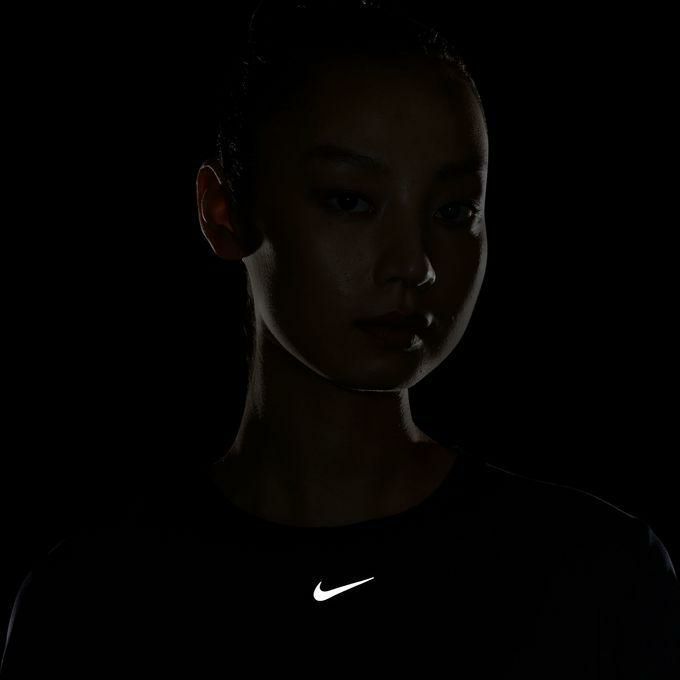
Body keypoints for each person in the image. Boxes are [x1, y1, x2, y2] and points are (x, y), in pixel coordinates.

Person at [2, 2, 679, 678]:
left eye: (453, 210)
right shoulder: (91, 604)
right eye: (350, 200)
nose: (414, 263)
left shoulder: (595, 577)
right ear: (223, 211)